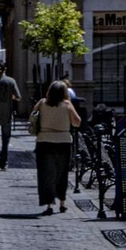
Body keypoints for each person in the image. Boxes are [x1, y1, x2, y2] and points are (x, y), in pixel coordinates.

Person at [32, 80, 81, 215]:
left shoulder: (42, 103)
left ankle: (49, 204)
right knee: (61, 173)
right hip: (63, 141)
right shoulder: (67, 104)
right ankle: (62, 202)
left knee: (46, 173)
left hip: (44, 140)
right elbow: (77, 122)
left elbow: (33, 117)